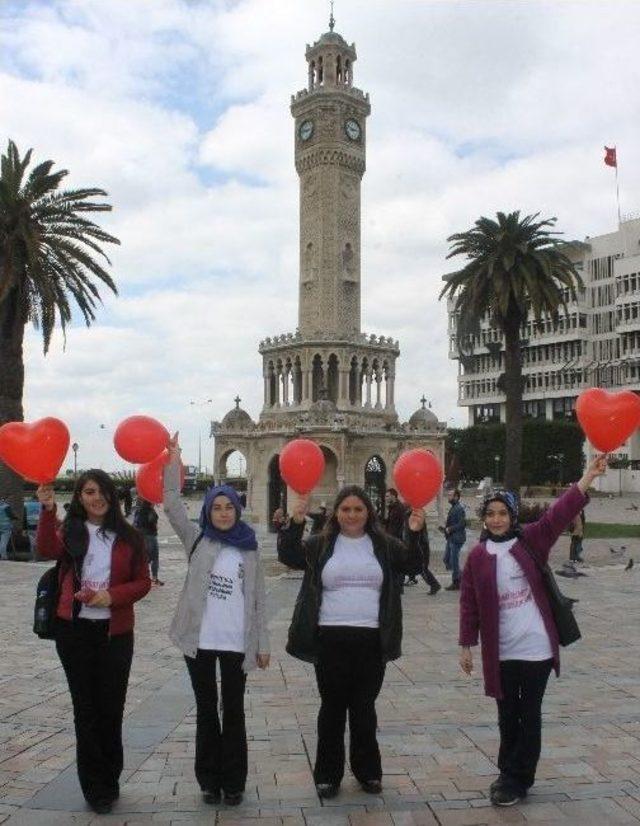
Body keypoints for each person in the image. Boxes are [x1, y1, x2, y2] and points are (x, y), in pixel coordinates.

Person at [458, 454, 607, 807]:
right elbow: (469, 604)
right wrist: (466, 645)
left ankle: (516, 778)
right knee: (507, 714)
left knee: (530, 713)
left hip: (536, 646)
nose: (497, 519)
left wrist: (587, 476)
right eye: (490, 514)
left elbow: (559, 514)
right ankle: (508, 771)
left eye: (502, 513)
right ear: (484, 519)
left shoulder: (530, 541)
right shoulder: (477, 557)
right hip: (502, 650)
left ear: (512, 516)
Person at [278, 485, 426, 799]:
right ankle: (328, 775)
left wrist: (415, 531)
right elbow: (289, 555)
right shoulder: (322, 544)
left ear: (368, 513)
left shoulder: (383, 545)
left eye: (358, 509)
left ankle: (368, 772)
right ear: (336, 513)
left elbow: (413, 564)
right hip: (330, 637)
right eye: (346, 509)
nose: (352, 515)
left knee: (364, 708)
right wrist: (295, 521)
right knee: (331, 708)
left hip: (372, 639)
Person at [163, 434, 270, 807]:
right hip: (200, 642)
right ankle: (209, 780)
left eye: (229, 507)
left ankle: (234, 782)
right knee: (207, 710)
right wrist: (172, 463)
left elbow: (258, 600)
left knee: (235, 711)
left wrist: (263, 644)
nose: (223, 513)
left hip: (236, 643)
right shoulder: (196, 540)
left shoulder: (249, 549)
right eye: (217, 507)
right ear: (208, 512)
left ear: (237, 511)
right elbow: (173, 507)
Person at [36, 471, 151, 815]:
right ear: (79, 496)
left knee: (111, 708)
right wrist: (46, 509)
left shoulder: (129, 536)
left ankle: (110, 778)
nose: (96, 497)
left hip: (114, 634)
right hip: (74, 633)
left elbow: (143, 583)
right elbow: (45, 549)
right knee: (85, 710)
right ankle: (95, 788)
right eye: (88, 491)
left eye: (101, 491)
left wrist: (110, 596)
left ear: (112, 496)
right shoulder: (69, 529)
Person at [134, 497, 163, 586]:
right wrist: (155, 527)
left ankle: (140, 577)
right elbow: (151, 523)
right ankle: (154, 578)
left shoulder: (138, 511)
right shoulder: (150, 512)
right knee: (154, 558)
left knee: (144, 558)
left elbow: (135, 524)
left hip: (140, 537)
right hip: (150, 536)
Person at [443, 489, 467, 591]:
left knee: (454, 560)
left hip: (457, 538)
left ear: (456, 497)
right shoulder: (454, 507)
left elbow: (462, 524)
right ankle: (461, 577)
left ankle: (456, 581)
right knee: (446, 559)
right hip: (451, 537)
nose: (448, 497)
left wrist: (450, 528)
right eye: (448, 495)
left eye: (450, 495)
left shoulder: (459, 508)